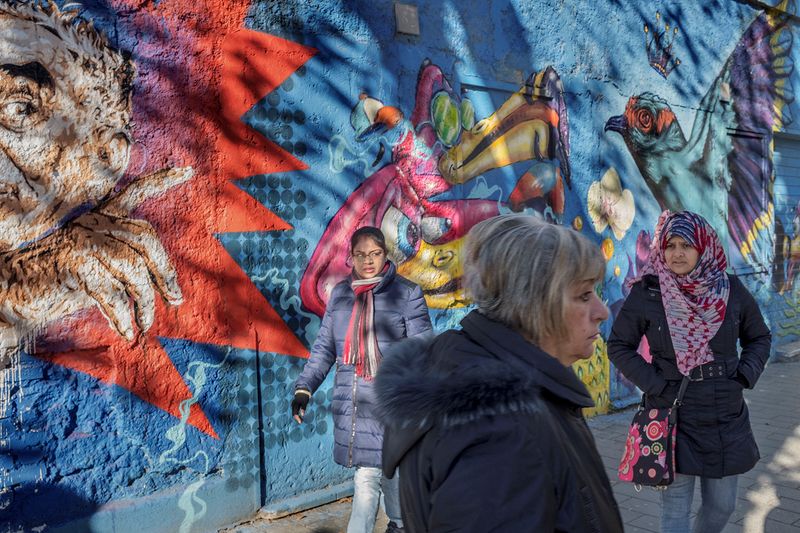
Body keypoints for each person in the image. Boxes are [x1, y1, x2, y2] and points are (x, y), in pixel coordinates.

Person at [375, 214, 624, 533]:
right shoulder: (502, 432)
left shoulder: (494, 392)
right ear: (535, 304)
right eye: (584, 295)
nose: (602, 311)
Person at [608, 210, 771, 533]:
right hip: (673, 412)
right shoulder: (649, 292)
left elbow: (759, 337)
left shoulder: (730, 289)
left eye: (686, 245)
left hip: (725, 412)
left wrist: (743, 376)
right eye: (670, 245)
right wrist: (656, 385)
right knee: (675, 511)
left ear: (703, 247)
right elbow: (618, 346)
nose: (677, 253)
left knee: (722, 506)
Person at [292, 226, 432, 533]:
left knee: (383, 474)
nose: (368, 261)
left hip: (392, 404)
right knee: (374, 474)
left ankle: (399, 524)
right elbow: (325, 348)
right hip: (354, 404)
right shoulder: (341, 295)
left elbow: (423, 351)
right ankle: (400, 525)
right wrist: (304, 388)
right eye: (360, 254)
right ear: (351, 257)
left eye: (375, 253)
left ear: (385, 254)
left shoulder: (406, 294)